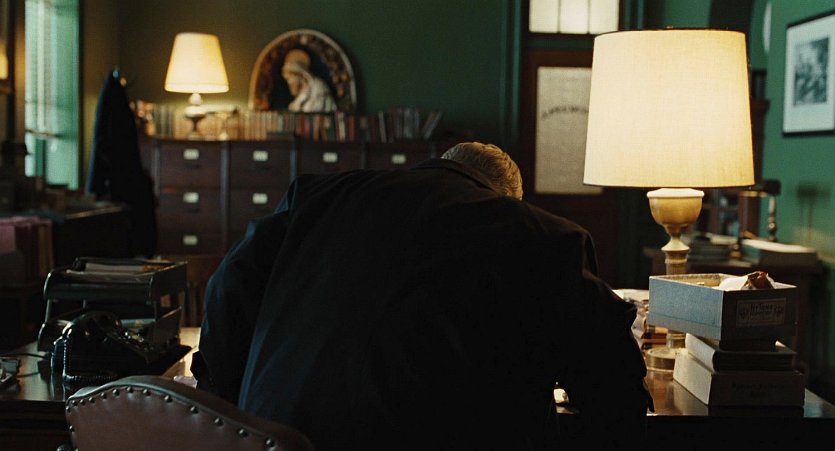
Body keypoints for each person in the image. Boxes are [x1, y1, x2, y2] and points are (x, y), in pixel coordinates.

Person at [192, 142, 651, 450]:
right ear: (505, 196)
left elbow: (227, 289)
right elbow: (611, 378)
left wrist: (231, 408)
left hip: (283, 436)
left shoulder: (314, 197)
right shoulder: (539, 235)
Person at [281, 48, 337, 112]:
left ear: (300, 75)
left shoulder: (318, 87)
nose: (288, 82)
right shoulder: (300, 95)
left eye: (289, 78)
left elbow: (314, 110)